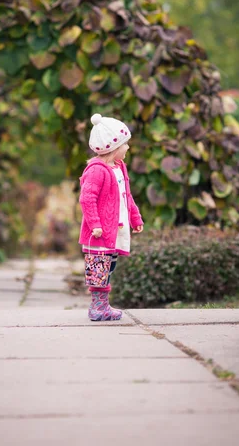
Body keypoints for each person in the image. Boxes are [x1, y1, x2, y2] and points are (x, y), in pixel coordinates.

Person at [79, 113, 144, 321]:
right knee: (99, 270)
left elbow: (127, 196)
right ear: (113, 147)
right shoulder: (97, 171)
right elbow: (87, 199)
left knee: (109, 267)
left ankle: (102, 306)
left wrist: (136, 217)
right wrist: (95, 224)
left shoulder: (119, 168)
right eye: (126, 144)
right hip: (99, 233)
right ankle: (97, 307)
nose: (128, 148)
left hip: (114, 230)